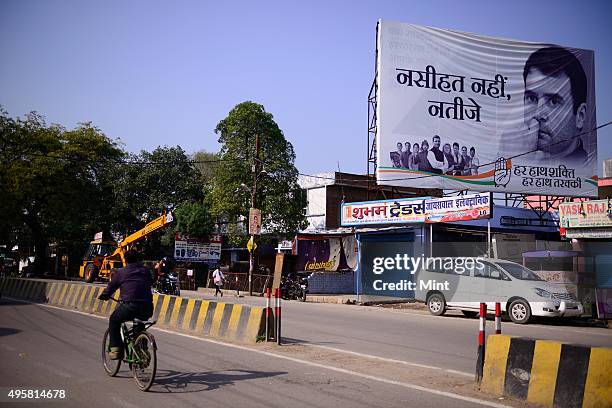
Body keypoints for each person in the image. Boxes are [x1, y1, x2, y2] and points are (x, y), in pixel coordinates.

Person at [522, 46, 589, 163]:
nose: (538, 114)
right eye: (532, 98)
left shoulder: (587, 172)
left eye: (553, 101)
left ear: (580, 116)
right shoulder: (509, 156)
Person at [98, 251, 153, 360]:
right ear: (138, 260)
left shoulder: (121, 272)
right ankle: (142, 351)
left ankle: (115, 349)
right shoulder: (146, 271)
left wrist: (105, 295)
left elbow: (111, 286)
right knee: (139, 323)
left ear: (126, 260)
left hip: (130, 307)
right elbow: (150, 282)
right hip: (147, 308)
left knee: (114, 320)